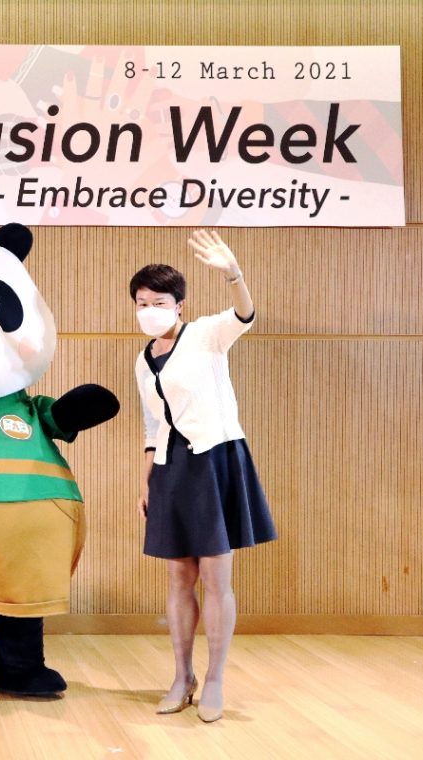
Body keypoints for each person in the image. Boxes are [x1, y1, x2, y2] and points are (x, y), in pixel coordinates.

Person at [131, 230, 276, 723]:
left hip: (215, 460)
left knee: (216, 575)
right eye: (142, 302)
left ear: (180, 304)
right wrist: (147, 480)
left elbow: (245, 315)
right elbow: (153, 424)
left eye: (160, 301)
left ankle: (214, 678)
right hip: (172, 466)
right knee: (178, 575)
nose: (150, 309)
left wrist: (233, 273)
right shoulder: (143, 359)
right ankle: (181, 675)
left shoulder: (208, 333)